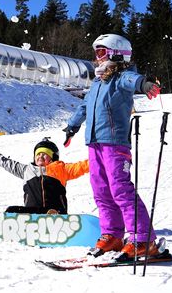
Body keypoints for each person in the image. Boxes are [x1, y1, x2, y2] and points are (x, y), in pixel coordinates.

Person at [63, 34, 161, 259]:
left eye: (101, 53)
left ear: (116, 54)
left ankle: (143, 238)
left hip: (115, 143)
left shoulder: (121, 77)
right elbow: (85, 106)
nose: (97, 59)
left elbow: (133, 80)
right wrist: (72, 126)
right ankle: (113, 235)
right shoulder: (97, 82)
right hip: (95, 143)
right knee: (101, 190)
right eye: (96, 53)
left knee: (120, 189)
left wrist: (144, 84)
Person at [0, 138, 90, 215]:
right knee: (11, 210)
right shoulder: (27, 170)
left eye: (45, 154)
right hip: (32, 213)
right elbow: (9, 164)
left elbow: (82, 166)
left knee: (51, 212)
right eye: (38, 154)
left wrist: (101, 159)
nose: (40, 156)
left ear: (53, 157)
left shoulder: (62, 169)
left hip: (55, 212)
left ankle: (55, 219)